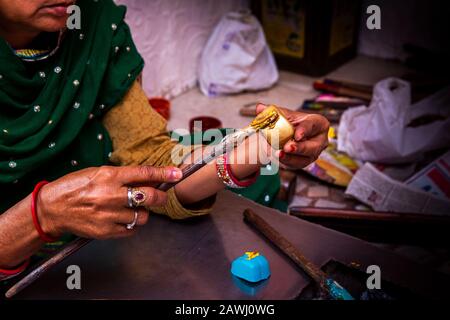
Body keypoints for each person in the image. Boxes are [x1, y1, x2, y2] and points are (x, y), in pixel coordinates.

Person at [0, 0, 329, 282]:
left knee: (254, 170)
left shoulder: (92, 22)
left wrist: (271, 139)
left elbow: (154, 162)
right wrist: (39, 217)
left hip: (108, 226)